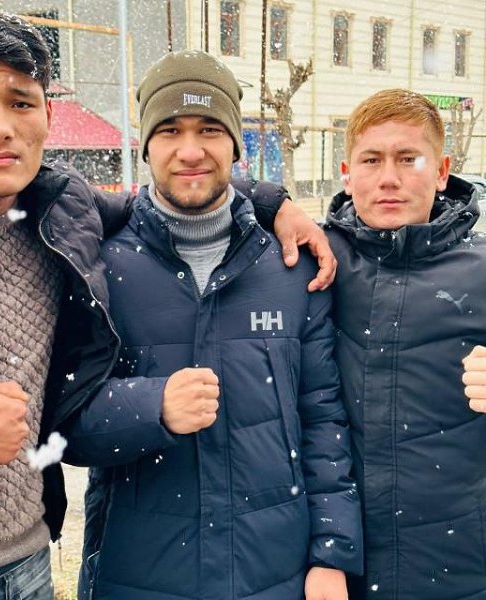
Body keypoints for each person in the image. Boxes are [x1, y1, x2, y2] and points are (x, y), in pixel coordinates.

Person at [0, 11, 335, 600]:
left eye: (20, 103)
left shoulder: (63, 215)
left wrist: (274, 203)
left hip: (30, 565)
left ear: (47, 115)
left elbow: (175, 195)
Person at [65, 49, 363, 600]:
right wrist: (151, 407)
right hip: (138, 573)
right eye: (170, 131)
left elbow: (323, 417)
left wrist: (332, 552)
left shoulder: (293, 267)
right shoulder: (100, 268)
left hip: (274, 573)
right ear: (146, 145)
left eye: (209, 129)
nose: (190, 150)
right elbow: (64, 426)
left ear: (235, 144)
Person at [322, 88, 486, 599]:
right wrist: (273, 203)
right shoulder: (315, 260)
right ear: (347, 173)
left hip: (459, 568)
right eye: (371, 160)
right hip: (340, 566)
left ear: (442, 171)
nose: (388, 178)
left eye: (408, 158)